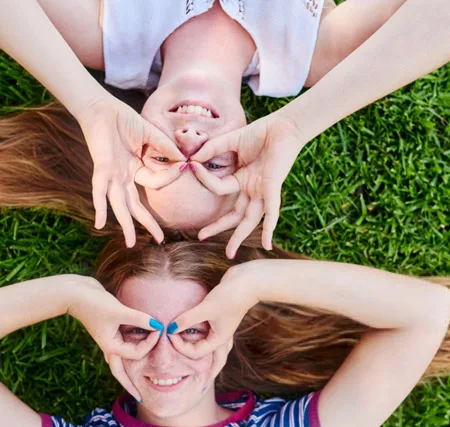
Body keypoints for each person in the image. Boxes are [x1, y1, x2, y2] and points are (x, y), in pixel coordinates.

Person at [2, 0, 448, 253]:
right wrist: (297, 123)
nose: (190, 141)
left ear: (131, 138)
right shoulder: (311, 55)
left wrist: (89, 104)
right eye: (213, 164)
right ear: (247, 151)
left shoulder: (103, 36)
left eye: (163, 156)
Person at [1, 231, 450, 427]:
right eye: (137, 329)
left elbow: (428, 312)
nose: (163, 358)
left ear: (226, 331)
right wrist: (70, 295)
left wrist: (254, 283)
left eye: (192, 329)